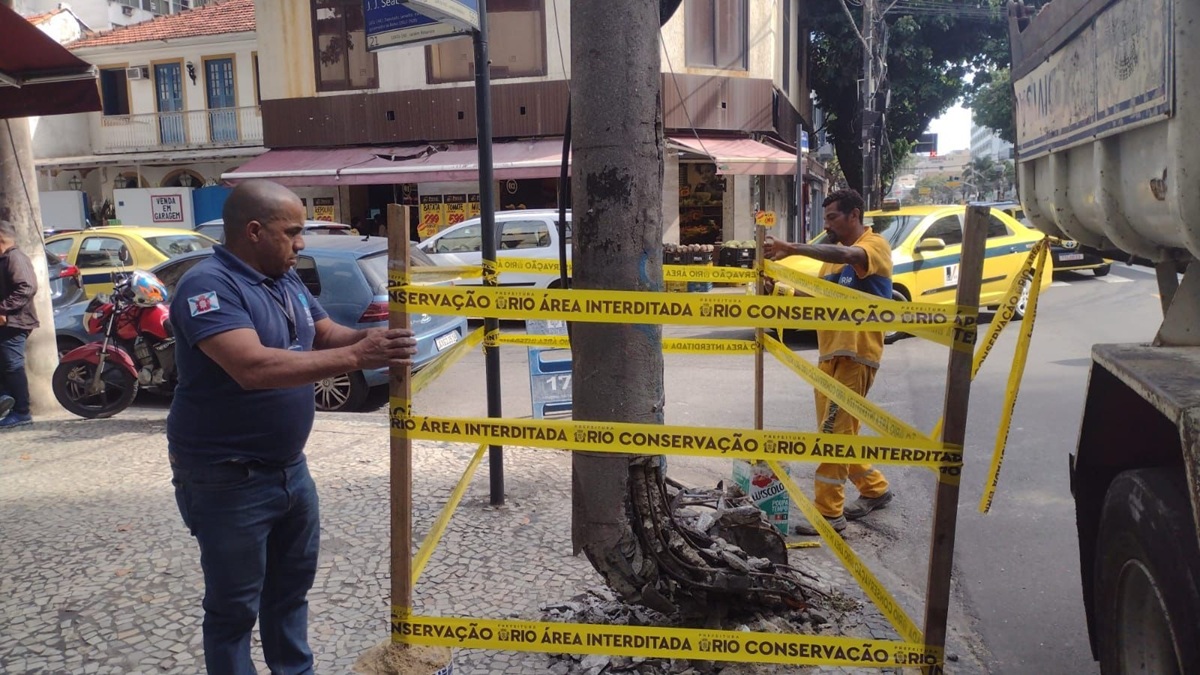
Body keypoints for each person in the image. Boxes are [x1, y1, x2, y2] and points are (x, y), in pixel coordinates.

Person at [167, 180, 418, 673]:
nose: (301, 243)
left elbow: (326, 335)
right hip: (226, 477)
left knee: (289, 594)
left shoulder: (283, 277)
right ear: (255, 231)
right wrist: (356, 355)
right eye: (294, 232)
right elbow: (252, 367)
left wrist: (375, 341)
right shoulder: (208, 286)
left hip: (289, 471)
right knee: (233, 609)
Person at [763, 189, 895, 535]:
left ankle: (829, 514)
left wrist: (792, 248)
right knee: (840, 432)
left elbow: (849, 253)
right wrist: (779, 289)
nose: (828, 225)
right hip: (830, 356)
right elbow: (815, 296)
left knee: (832, 436)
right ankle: (875, 489)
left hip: (856, 356)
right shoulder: (831, 262)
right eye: (825, 219)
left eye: (833, 217)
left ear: (854, 215)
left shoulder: (873, 246)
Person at [0, 220, 37, 429]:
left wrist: (3, 309)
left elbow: (27, 287)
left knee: (13, 366)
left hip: (15, 322)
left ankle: (22, 412)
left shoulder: (15, 257)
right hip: (6, 322)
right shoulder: (4, 259)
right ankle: (7, 401)